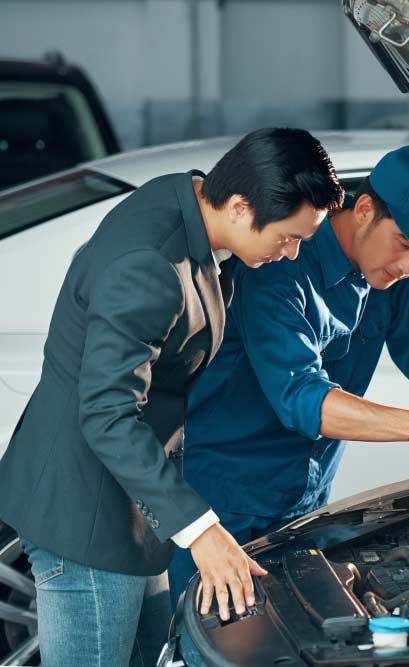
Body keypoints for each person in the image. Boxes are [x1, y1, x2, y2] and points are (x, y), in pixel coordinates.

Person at [0, 128, 344, 666]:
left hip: (133, 506)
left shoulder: (186, 200)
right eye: (288, 237)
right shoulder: (150, 266)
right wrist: (203, 532)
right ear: (238, 205)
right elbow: (107, 414)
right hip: (87, 513)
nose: (293, 252)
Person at [167, 145, 409, 607]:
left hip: (306, 505)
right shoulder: (279, 265)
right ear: (365, 210)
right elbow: (301, 396)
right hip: (224, 504)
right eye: (407, 245)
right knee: (213, 647)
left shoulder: (395, 273)